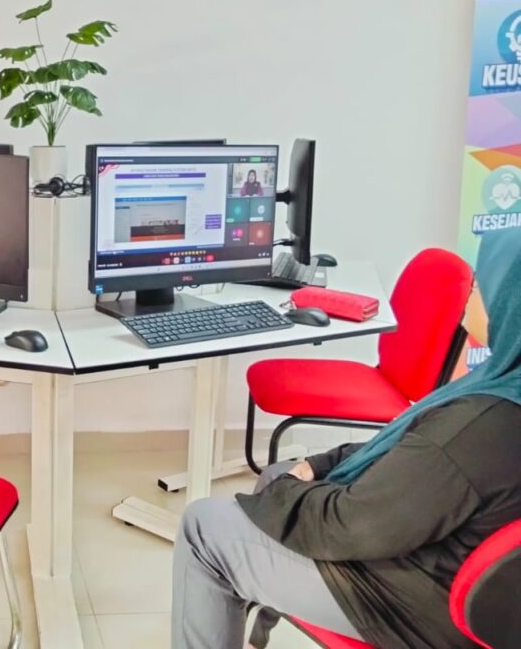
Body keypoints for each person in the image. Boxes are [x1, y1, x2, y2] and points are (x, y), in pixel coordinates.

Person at [172, 227, 521, 649]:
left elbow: (355, 526)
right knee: (280, 476)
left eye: (483, 285)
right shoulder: (501, 387)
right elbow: (414, 443)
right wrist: (318, 465)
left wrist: (288, 489)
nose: (471, 294)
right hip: (450, 567)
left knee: (203, 526)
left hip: (412, 599)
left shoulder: (480, 425)